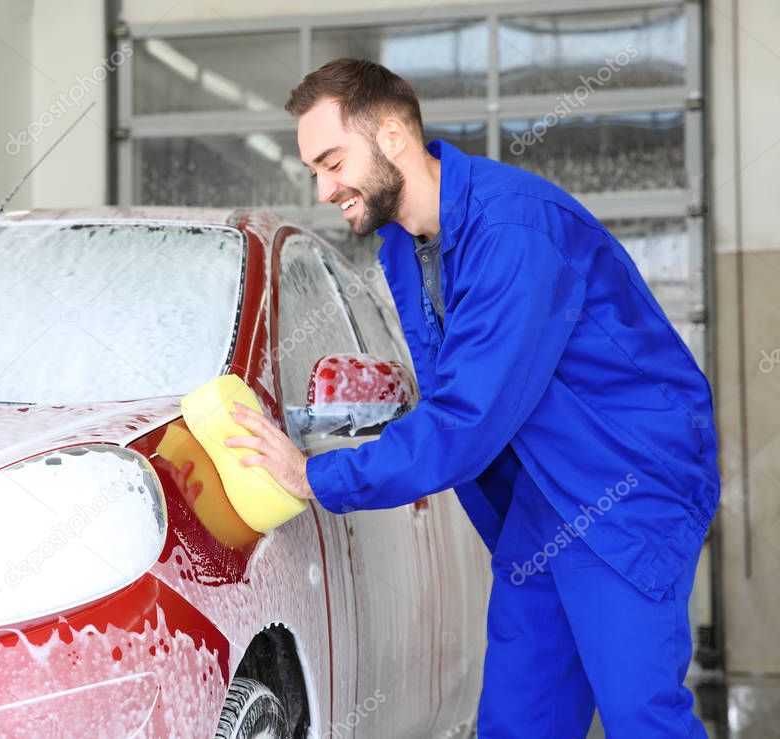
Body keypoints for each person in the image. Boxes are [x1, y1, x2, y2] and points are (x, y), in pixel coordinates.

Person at [225, 58, 719, 737]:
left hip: (622, 482)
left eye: (332, 160)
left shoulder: (512, 230)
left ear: (393, 136)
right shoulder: (405, 246)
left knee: (641, 714)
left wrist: (312, 474)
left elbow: (465, 419)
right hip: (542, 500)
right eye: (314, 169)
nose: (324, 187)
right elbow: (455, 397)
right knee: (522, 718)